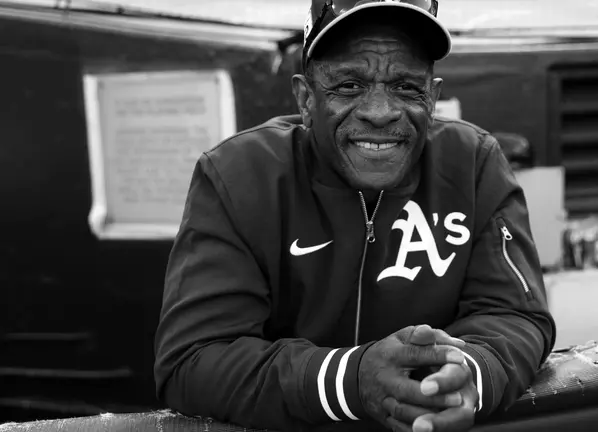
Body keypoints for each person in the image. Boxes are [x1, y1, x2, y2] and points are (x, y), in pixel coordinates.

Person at [153, 1, 556, 431]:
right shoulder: (240, 174)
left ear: (433, 96)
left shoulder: (474, 164)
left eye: (405, 87)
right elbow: (192, 360)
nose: (380, 112)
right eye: (348, 86)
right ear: (305, 98)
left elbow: (517, 315)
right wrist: (350, 381)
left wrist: (467, 375)